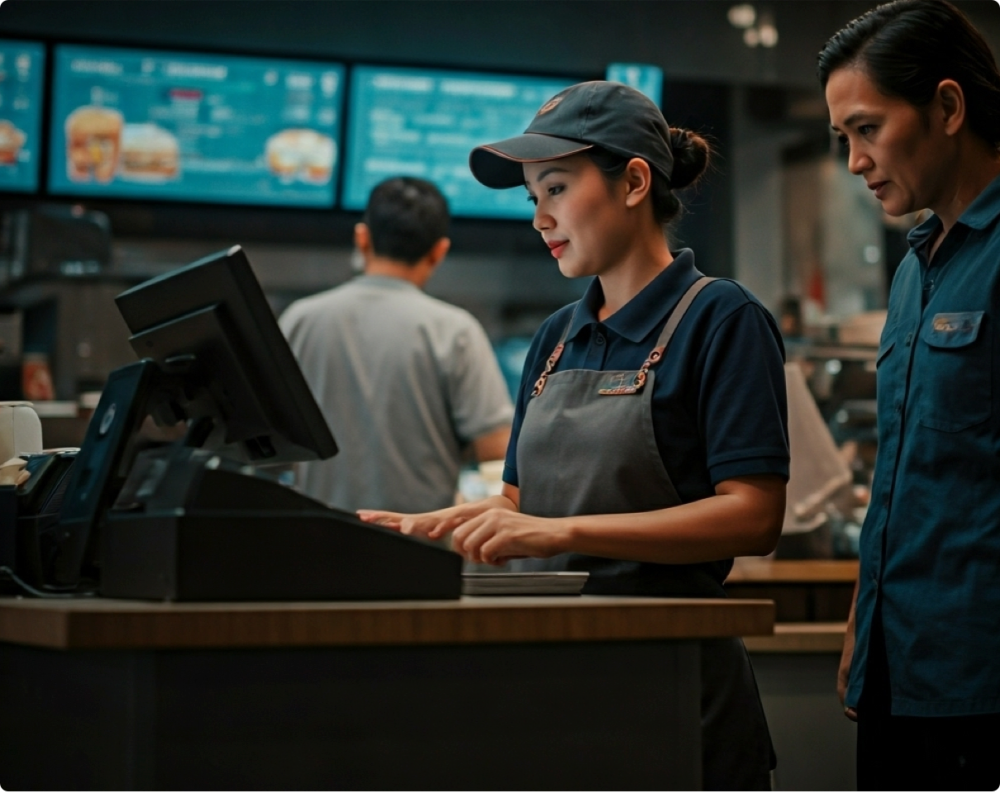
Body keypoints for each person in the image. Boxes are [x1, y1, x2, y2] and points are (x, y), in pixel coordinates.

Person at [360, 81, 789, 791]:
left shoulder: (722, 317)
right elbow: (521, 501)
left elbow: (754, 513)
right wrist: (445, 522)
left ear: (634, 182)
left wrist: (557, 532)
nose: (541, 217)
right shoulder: (556, 338)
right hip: (557, 684)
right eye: (533, 197)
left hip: (678, 689)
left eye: (555, 187)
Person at [819, 1, 1000, 788]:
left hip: (980, 678)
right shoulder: (913, 268)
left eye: (867, 129)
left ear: (949, 107)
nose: (854, 160)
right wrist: (867, 612)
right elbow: (905, 465)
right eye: (842, 140)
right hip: (897, 667)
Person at [280, 177, 513, 514]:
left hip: (315, 541)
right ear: (439, 251)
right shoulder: (455, 330)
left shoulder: (299, 319)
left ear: (362, 238)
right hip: (417, 549)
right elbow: (496, 446)